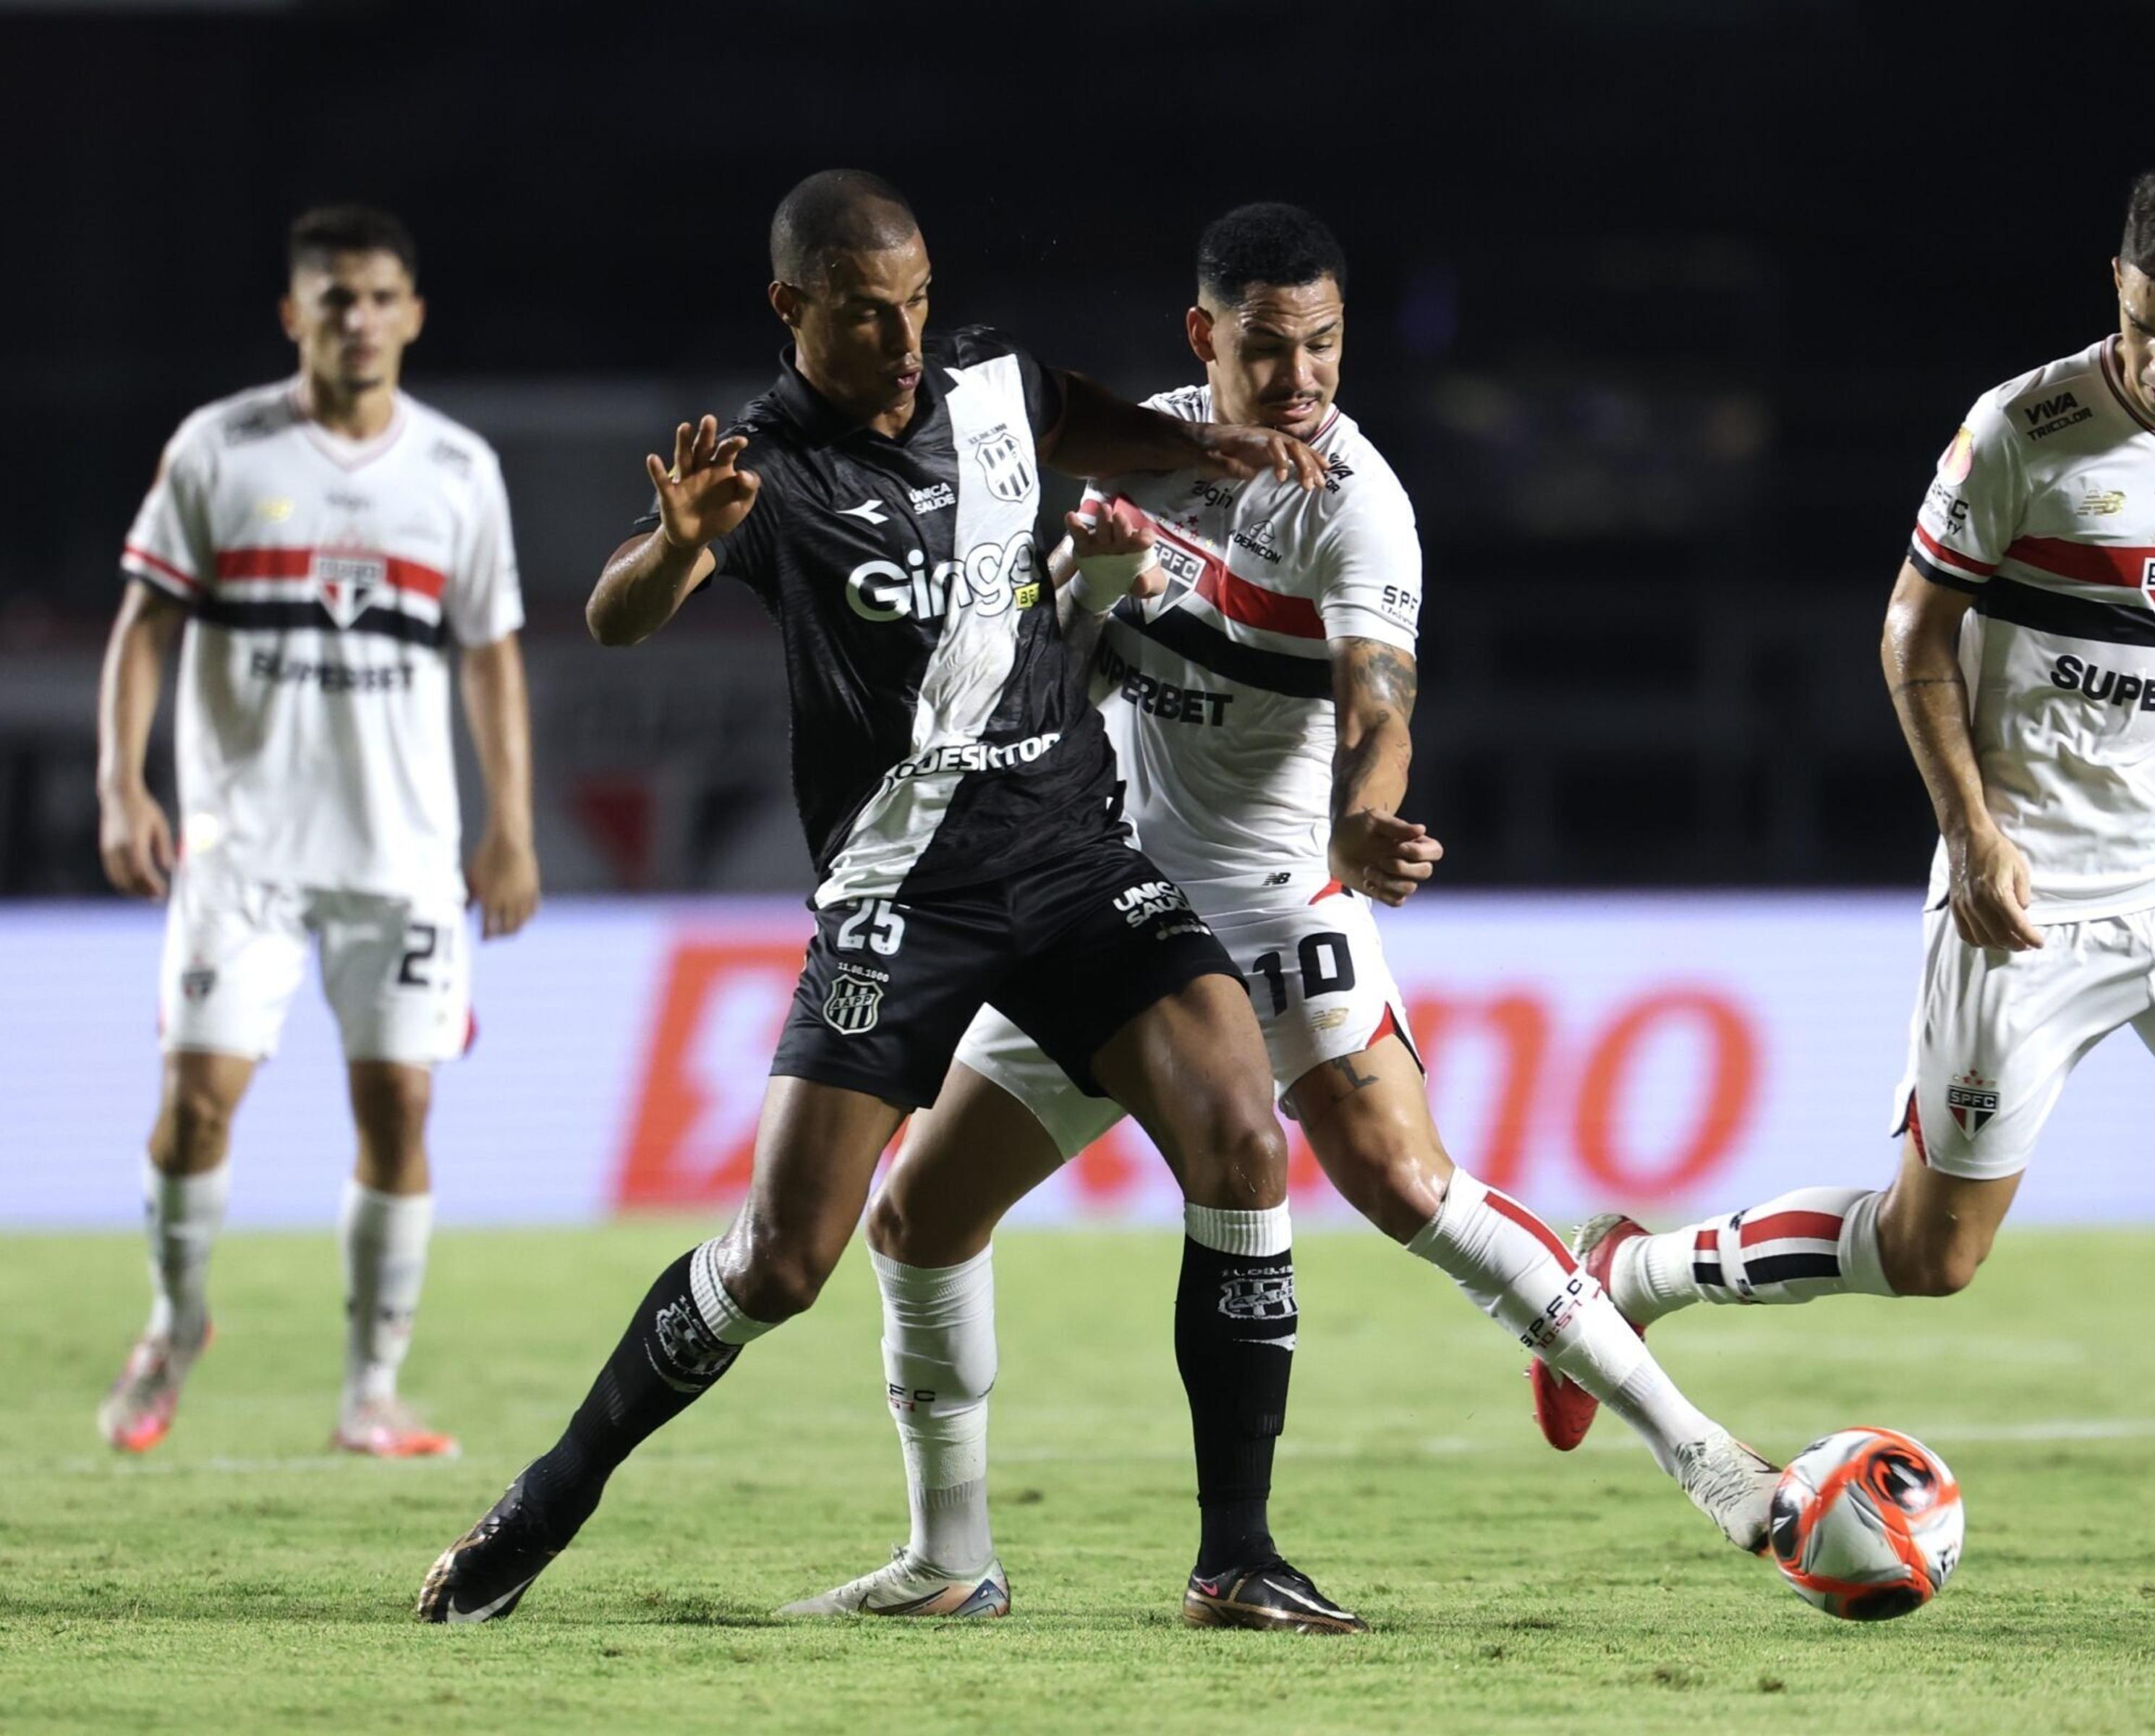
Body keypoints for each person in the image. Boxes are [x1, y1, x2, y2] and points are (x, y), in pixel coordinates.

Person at [778, 203, 1777, 1630]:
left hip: (1272, 895)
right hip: (1113, 902)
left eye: (1324, 344)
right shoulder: (1150, 456)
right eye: (1268, 346)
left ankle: (1707, 1458)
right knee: (921, 1218)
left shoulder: (1360, 504)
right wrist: (1082, 593)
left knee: (1405, 1187)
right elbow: (1057, 683)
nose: (1303, 374)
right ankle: (951, 1564)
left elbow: (1383, 700)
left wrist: (1368, 817)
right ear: (1205, 339)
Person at [416, 170, 1346, 1629]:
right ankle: (548, 1496)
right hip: (901, 889)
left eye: (915, 304)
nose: (905, 339)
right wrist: (671, 544)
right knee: (785, 1262)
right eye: (866, 315)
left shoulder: (981, 379)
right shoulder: (767, 465)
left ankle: (1238, 1558)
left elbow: (1067, 411)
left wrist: (1198, 446)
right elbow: (613, 616)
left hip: (1069, 853)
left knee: (1239, 1134)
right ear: (791, 308)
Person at [1536, 161, 2155, 1621]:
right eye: (2138, 324)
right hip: (2029, 890)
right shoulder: (2028, 429)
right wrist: (1976, 834)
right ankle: (1633, 1273)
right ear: (2114, 292)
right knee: (1930, 1253)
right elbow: (1910, 636)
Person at [95, 204, 537, 1461]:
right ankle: (175, 1325)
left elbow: (491, 656)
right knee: (197, 1108)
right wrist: (125, 786)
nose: (359, 318)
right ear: (295, 316)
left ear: (412, 315)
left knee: (399, 1109)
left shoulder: (457, 472)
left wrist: (511, 826)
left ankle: (371, 1394)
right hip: (243, 856)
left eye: (381, 296)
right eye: (334, 299)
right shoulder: (221, 451)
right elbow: (144, 627)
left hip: (400, 862)